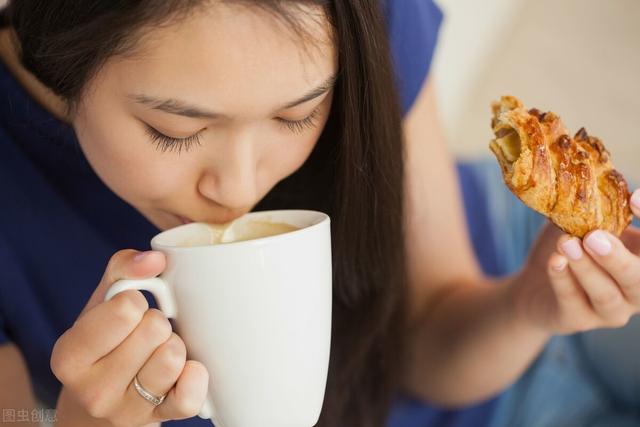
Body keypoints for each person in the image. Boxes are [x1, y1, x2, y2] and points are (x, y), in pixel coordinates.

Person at [0, 1, 639, 427]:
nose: (240, 188)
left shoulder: (364, 15)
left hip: (525, 266)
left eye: (297, 114)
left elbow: (429, 327)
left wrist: (530, 304)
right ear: (60, 50)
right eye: (175, 130)